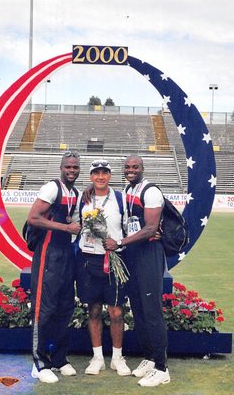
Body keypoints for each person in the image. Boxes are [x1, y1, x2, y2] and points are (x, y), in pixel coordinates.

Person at [104, 155, 170, 387]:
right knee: (139, 309)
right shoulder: (128, 188)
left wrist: (121, 242)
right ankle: (150, 358)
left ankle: (162, 368)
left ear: (143, 169)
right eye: (128, 167)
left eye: (135, 167)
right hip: (133, 254)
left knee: (151, 311)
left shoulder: (150, 191)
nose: (131, 170)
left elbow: (151, 228)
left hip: (149, 254)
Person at [27, 151, 81, 384]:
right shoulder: (52, 188)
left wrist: (70, 224)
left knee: (65, 306)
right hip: (48, 254)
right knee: (44, 308)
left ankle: (59, 358)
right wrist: (65, 227)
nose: (71, 170)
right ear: (61, 168)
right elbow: (33, 218)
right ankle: (39, 363)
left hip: (66, 254)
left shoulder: (75, 192)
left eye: (75, 167)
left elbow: (70, 218)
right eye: (68, 167)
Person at [77, 159, 131, 376]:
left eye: (105, 173)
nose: (100, 177)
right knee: (94, 310)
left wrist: (118, 243)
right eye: (96, 173)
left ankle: (117, 358)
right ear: (91, 177)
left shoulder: (121, 198)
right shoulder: (84, 198)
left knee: (116, 312)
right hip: (89, 260)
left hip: (115, 259)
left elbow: (130, 225)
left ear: (110, 176)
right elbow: (75, 224)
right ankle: (97, 357)